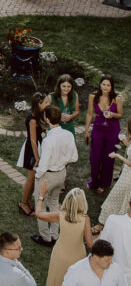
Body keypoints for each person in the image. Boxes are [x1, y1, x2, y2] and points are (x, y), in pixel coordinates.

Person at [37, 187, 93, 286]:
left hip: (60, 254)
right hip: (77, 257)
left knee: (57, 283)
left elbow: (38, 214)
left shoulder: (60, 215)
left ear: (67, 200)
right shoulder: (85, 219)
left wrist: (41, 196)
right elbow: (90, 244)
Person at [31, 106, 78, 247]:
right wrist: (61, 162)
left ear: (47, 119)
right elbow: (74, 157)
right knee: (54, 202)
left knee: (40, 204)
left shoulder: (48, 140)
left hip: (47, 176)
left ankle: (45, 237)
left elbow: (44, 163)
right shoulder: (68, 135)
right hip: (61, 174)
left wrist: (38, 175)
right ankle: (55, 235)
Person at [85, 75, 123, 193]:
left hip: (113, 131)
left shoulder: (117, 98)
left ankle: (104, 183)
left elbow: (120, 114)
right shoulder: (93, 96)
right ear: (100, 85)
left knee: (108, 158)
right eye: (104, 84)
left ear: (112, 86)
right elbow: (89, 114)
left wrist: (113, 114)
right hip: (98, 129)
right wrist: (86, 130)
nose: (106, 87)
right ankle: (94, 181)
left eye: (108, 85)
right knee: (95, 157)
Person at [17, 92, 50, 216]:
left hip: (38, 146)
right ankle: (23, 203)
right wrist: (37, 158)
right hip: (32, 150)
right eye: (46, 102)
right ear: (38, 104)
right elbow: (33, 141)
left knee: (34, 178)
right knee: (31, 179)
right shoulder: (32, 120)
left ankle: (28, 200)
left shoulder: (40, 115)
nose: (48, 104)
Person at [96, 122, 131, 230]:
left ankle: (102, 225)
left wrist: (117, 156)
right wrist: (126, 143)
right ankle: (110, 226)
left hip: (128, 178)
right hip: (126, 175)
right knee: (122, 201)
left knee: (115, 199)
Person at [50, 74, 80, 138]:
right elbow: (45, 115)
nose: (66, 89)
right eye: (64, 86)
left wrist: (71, 116)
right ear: (59, 86)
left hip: (69, 128)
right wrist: (58, 117)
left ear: (72, 86)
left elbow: (77, 111)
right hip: (55, 128)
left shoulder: (75, 95)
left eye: (69, 86)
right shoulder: (51, 97)